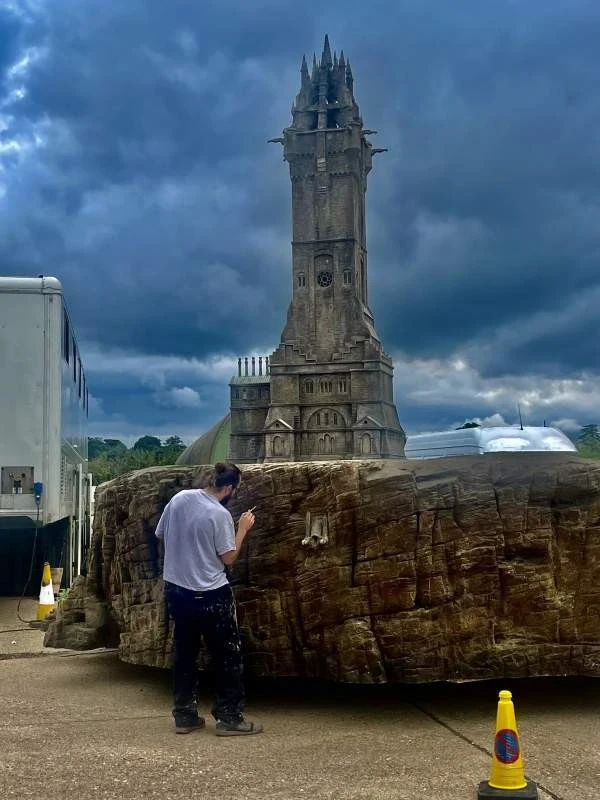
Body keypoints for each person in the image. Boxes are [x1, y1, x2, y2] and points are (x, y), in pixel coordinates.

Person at [155, 461, 262, 736]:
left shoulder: (180, 499)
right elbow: (229, 557)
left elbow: (161, 534)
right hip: (210, 593)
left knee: (185, 653)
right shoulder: (219, 515)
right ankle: (229, 717)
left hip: (177, 589)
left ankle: (184, 715)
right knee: (227, 655)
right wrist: (242, 529)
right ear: (229, 488)